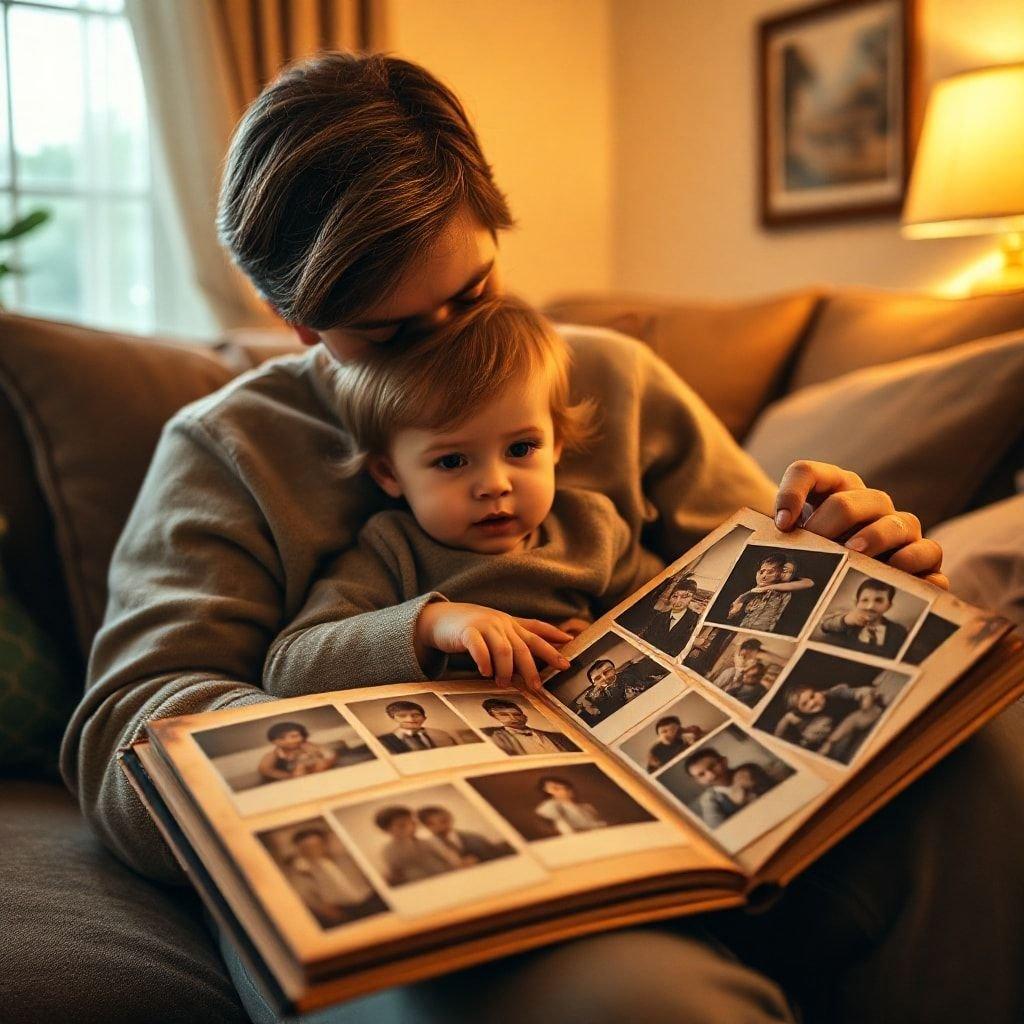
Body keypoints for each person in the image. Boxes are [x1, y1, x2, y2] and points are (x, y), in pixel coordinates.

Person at [62, 50, 1000, 1024]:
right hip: (441, 885)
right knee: (636, 1004)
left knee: (991, 756)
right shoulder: (227, 451)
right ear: (292, 320)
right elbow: (128, 729)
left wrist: (851, 565)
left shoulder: (615, 379)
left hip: (702, 815)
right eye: (385, 334)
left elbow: (755, 575)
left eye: (471, 295)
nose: (442, 351)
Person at [260, 293, 663, 695]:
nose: (495, 485)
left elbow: (659, 604)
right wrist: (431, 625)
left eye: (520, 449)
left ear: (556, 444)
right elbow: (289, 667)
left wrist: (606, 635)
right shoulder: (393, 552)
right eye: (452, 461)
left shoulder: (592, 528)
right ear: (389, 474)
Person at [284, 827, 384, 926]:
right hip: (344, 909)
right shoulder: (304, 871)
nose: (314, 850)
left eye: (317, 845)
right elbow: (307, 896)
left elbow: (369, 874)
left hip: (371, 899)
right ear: (301, 850)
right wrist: (325, 909)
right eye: (307, 847)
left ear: (325, 843)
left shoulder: (346, 858)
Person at [684, 747, 780, 828]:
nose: (711, 775)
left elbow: (776, 789)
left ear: (724, 761)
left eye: (712, 766)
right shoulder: (709, 799)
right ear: (698, 781)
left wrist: (740, 786)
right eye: (701, 774)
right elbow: (718, 828)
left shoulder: (748, 769)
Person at [818, 578, 910, 659]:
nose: (870, 606)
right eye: (864, 600)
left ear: (888, 606)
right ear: (856, 602)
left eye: (879, 600)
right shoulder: (846, 621)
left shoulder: (899, 631)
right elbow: (825, 625)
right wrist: (846, 620)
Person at [727, 554, 814, 633]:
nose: (784, 574)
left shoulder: (785, 590)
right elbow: (732, 616)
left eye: (786, 571)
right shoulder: (754, 592)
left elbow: (809, 583)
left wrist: (766, 587)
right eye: (762, 571)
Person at [374, 805, 459, 885]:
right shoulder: (388, 851)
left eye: (412, 823)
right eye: (402, 826)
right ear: (386, 830)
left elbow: (451, 860)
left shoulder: (429, 842)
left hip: (447, 879)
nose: (411, 827)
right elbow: (396, 875)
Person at [479, 696, 580, 756]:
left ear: (525, 717)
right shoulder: (495, 738)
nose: (513, 718)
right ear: (496, 718)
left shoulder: (558, 736)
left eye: (517, 714)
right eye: (504, 715)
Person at [416, 806, 513, 864]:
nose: (442, 825)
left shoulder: (474, 839)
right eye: (430, 824)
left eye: (444, 820)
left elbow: (495, 860)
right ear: (426, 825)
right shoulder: (427, 847)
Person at [256, 721, 336, 783]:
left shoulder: (307, 746)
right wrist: (290, 776)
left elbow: (330, 754)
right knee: (300, 768)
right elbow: (265, 770)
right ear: (278, 741)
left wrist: (317, 757)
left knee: (319, 762)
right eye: (294, 736)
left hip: (315, 773)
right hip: (291, 779)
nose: (299, 739)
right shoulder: (273, 755)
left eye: (300, 736)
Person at [640, 578, 702, 657]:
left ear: (691, 598)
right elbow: (644, 638)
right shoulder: (659, 617)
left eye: (684, 597)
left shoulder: (696, 621)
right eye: (675, 596)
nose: (677, 601)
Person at [376, 700, 457, 754]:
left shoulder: (442, 735)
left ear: (424, 718)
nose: (410, 719)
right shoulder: (383, 741)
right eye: (402, 716)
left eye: (416, 715)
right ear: (393, 719)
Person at [534, 776, 607, 835]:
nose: (563, 789)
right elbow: (566, 830)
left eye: (566, 787)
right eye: (556, 788)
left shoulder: (587, 807)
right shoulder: (551, 807)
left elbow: (599, 825)